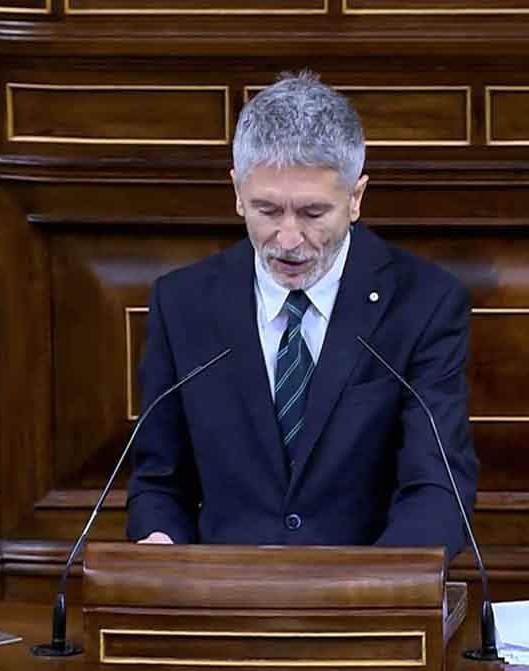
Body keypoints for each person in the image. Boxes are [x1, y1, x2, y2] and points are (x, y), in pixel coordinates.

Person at [125, 71, 479, 560]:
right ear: (236, 192)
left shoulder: (423, 302)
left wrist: (372, 590)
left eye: (313, 214)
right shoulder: (182, 303)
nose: (288, 240)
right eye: (267, 210)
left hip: (365, 608)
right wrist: (160, 542)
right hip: (222, 605)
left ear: (355, 198)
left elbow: (437, 486)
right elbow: (159, 481)